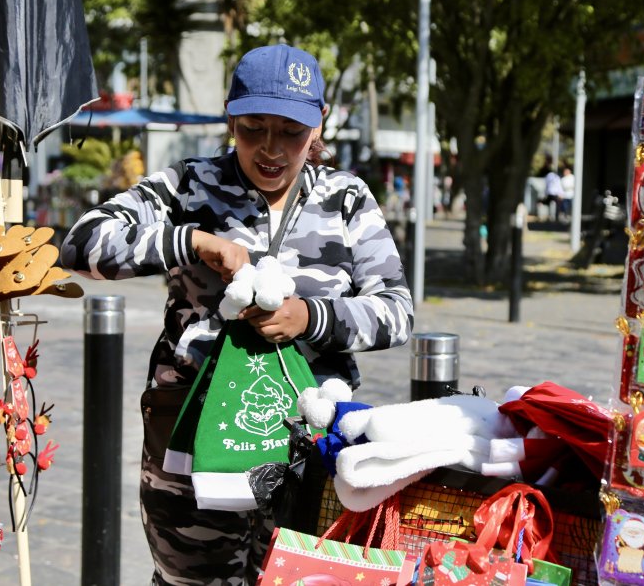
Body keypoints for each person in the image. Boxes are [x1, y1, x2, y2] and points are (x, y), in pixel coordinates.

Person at [59, 44, 413, 585]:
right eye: (253, 128)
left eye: (291, 131)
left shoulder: (346, 199)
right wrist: (190, 241)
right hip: (191, 442)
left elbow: (396, 312)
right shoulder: (189, 184)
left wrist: (309, 317)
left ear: (318, 124)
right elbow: (82, 243)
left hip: (311, 451)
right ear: (230, 118)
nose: (271, 148)